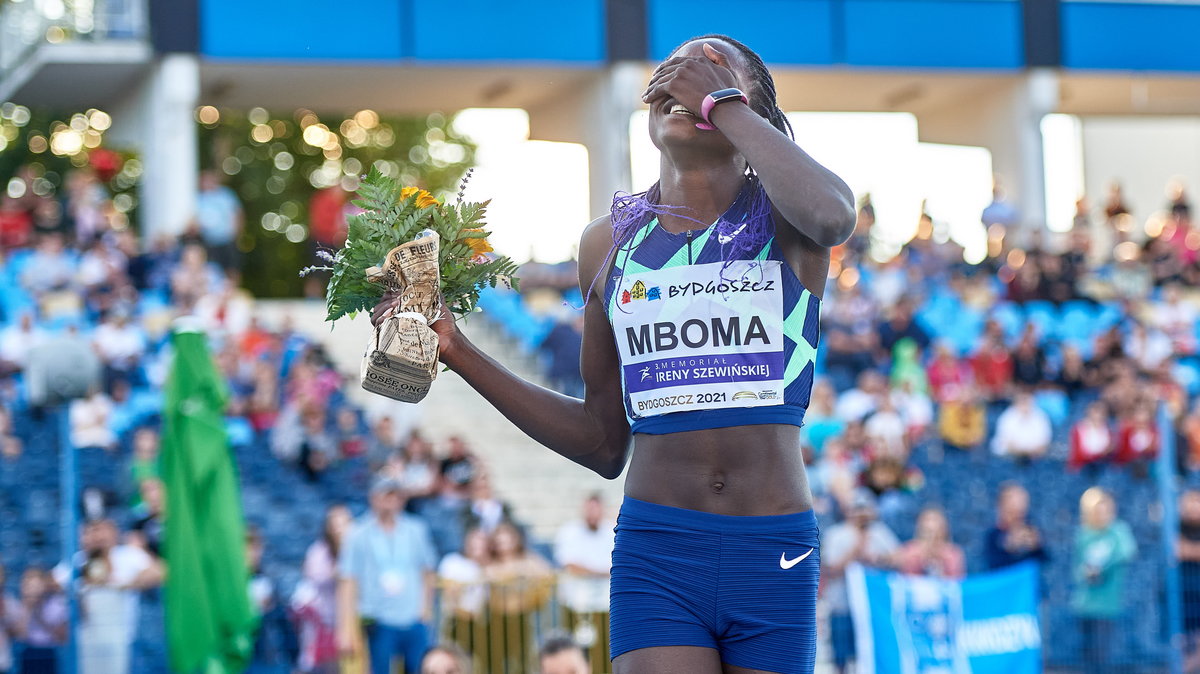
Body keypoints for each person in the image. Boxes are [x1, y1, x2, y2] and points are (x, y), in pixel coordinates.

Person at [373, 32, 855, 674]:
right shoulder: (607, 246)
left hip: (772, 548)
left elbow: (835, 216)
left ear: (753, 114)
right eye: (674, 70)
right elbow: (603, 444)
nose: (686, 77)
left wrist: (722, 105)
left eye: (711, 70)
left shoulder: (789, 220)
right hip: (658, 552)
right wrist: (457, 350)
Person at [338, 476, 437, 674]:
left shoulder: (415, 529)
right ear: (374, 497)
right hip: (378, 618)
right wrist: (345, 629)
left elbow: (427, 572)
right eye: (386, 495)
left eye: (396, 496)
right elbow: (348, 582)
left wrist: (424, 610)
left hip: (412, 617)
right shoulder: (357, 533)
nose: (392, 501)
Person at [820, 489, 900, 674]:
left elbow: (898, 559)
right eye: (857, 508)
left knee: (868, 655)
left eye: (865, 508)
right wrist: (857, 548)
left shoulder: (879, 531)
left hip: (872, 609)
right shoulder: (836, 534)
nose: (861, 513)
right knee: (841, 658)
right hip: (842, 606)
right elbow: (831, 569)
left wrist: (878, 559)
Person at [1072, 487, 1135, 674]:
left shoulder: (1118, 530)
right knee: (1087, 656)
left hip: (1108, 604)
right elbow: (1077, 566)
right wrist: (1086, 573)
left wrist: (1102, 569)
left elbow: (1127, 553)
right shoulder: (1084, 533)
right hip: (1085, 604)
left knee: (1102, 656)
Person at [293, 504, 352, 674]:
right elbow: (316, 577)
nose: (340, 529)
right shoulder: (318, 551)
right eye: (336, 524)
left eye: (344, 523)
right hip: (324, 623)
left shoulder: (357, 549)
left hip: (351, 622)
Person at [12, 567, 67, 674]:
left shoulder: (56, 604)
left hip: (51, 653)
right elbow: (20, 635)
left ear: (44, 586)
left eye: (37, 586)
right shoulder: (20, 606)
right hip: (28, 653)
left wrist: (38, 613)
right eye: (30, 586)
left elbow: (62, 637)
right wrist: (28, 608)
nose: (34, 590)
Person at [983, 482, 1047, 570]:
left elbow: (1043, 560)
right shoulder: (993, 536)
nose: (1018, 515)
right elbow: (994, 567)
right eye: (1013, 511)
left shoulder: (1030, 529)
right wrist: (1009, 547)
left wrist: (1036, 547)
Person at [194, 170, 244, 275]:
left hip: (227, 239)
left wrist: (236, 235)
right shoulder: (199, 198)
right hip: (208, 240)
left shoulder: (226, 195)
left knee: (231, 267)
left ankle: (232, 290)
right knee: (212, 269)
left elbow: (237, 214)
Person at [896, 507, 965, 579]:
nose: (931, 538)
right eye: (928, 532)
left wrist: (940, 561)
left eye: (935, 534)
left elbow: (956, 582)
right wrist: (922, 557)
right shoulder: (909, 551)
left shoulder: (953, 554)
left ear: (944, 530)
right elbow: (907, 580)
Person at [991, 389, 1052, 459]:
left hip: (1035, 457)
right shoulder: (1006, 417)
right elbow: (1005, 441)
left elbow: (1045, 441)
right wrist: (1021, 453)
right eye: (1022, 401)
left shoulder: (1041, 416)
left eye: (1027, 401)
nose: (1025, 404)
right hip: (1011, 457)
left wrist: (1030, 452)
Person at [1177, 488, 1200, 672]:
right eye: (1189, 501)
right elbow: (1176, 550)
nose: (1193, 506)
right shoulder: (1175, 526)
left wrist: (1188, 550)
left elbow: (1184, 550)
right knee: (1181, 641)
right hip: (1181, 592)